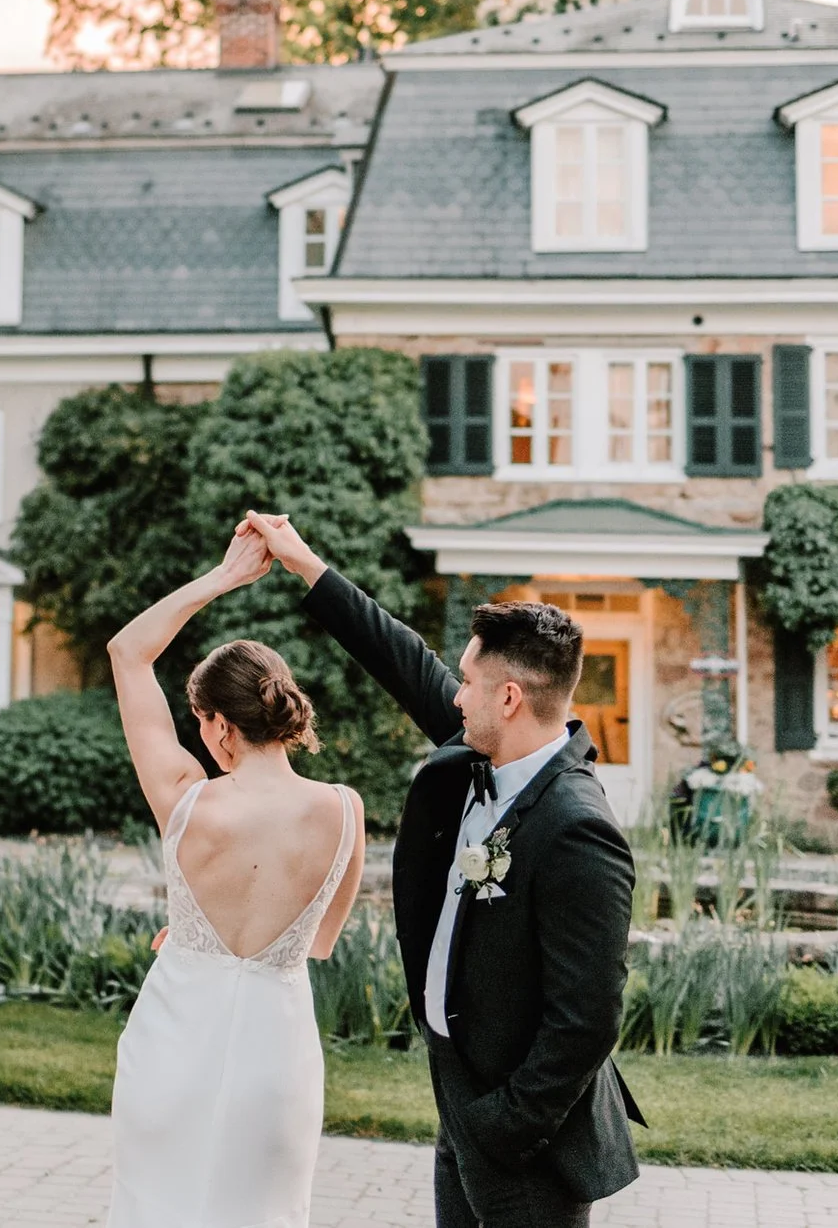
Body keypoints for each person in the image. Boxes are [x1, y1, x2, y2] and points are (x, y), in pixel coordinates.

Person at [242, 511, 641, 1228]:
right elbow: (399, 655)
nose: (453, 694)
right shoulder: (478, 753)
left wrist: (505, 1124)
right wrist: (304, 562)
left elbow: (588, 1016)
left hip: (524, 1140)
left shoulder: (578, 828)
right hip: (459, 1094)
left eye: (466, 681)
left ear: (508, 696)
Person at [105, 520, 367, 1228]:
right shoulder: (343, 812)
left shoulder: (187, 800)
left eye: (200, 724)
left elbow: (128, 651)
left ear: (218, 724)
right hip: (275, 1055)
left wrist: (225, 576)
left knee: (156, 1207)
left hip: (173, 1035)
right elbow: (316, 943)